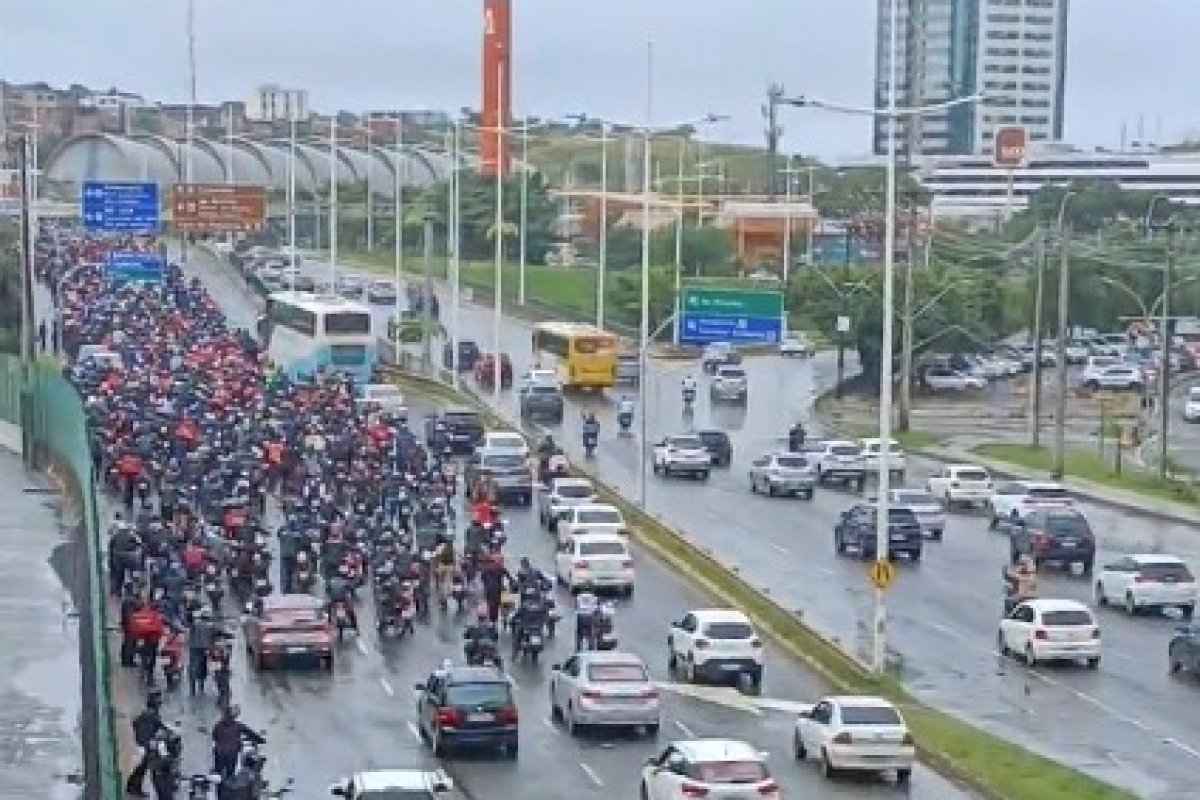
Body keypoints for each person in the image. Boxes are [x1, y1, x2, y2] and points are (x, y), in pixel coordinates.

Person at [126, 691, 165, 797]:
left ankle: (132, 786)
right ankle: (134, 787)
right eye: (158, 700)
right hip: (146, 745)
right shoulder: (151, 714)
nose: (160, 702)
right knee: (143, 767)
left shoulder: (149, 713)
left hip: (145, 743)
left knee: (142, 767)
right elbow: (157, 726)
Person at [211, 705, 265, 781]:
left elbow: (214, 736)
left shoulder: (218, 726)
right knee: (230, 774)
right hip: (232, 753)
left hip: (219, 752)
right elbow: (251, 734)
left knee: (218, 772)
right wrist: (261, 740)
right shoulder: (238, 726)